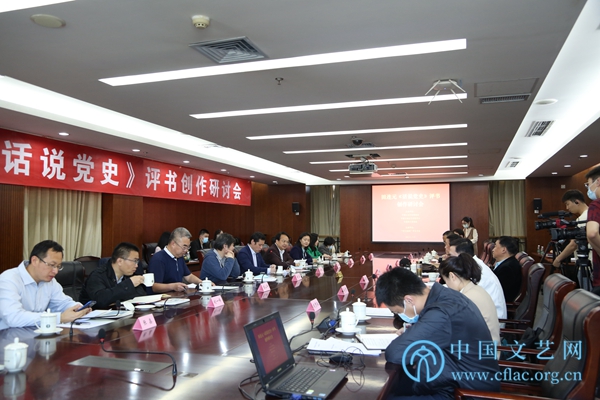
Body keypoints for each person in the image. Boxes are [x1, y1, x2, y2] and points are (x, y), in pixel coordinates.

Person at [376, 267, 500, 399]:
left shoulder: (441, 313)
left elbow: (395, 353)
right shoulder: (445, 296)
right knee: (396, 385)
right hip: (457, 378)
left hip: (464, 393)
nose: (400, 316)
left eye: (397, 312)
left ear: (409, 300)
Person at [0, 240, 91, 329]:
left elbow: (62, 303)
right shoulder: (9, 279)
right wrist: (59, 318)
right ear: (35, 260)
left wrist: (79, 308)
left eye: (58, 266)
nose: (55, 271)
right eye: (52, 265)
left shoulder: (50, 281)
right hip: (9, 335)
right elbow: (13, 317)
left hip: (38, 333)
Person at [440, 254, 501, 345]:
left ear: (452, 276)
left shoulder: (467, 298)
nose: (447, 285)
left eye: (446, 281)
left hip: (482, 350)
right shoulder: (474, 289)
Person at [449, 238, 507, 319]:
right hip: (479, 314)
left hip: (493, 320)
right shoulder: (472, 265)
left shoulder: (478, 271)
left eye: (451, 256)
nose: (449, 259)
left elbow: (463, 298)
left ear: (462, 256)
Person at [79, 242, 147, 309]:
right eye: (134, 261)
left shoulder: (129, 274)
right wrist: (129, 284)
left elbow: (140, 295)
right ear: (120, 261)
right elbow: (100, 300)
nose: (136, 265)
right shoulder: (97, 276)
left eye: (137, 261)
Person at [552, 190, 590, 287]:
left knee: (587, 293)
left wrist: (558, 259)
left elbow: (574, 244)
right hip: (592, 261)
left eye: (568, 204)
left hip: (587, 264)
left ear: (577, 202)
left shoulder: (583, 219)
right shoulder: (592, 214)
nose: (567, 208)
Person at [147, 227, 203, 293]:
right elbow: (154, 287)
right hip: (163, 297)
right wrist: (173, 286)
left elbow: (189, 276)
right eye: (184, 247)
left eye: (188, 247)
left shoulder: (179, 257)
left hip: (178, 295)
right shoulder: (158, 259)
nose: (186, 250)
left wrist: (202, 283)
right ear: (173, 244)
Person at [491, 236, 522, 302]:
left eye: (495, 246)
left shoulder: (507, 268)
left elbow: (497, 291)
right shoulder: (508, 263)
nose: (493, 250)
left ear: (503, 250)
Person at [585, 165, 600, 289]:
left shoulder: (596, 205)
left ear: (598, 181)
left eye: (589, 184)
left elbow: (592, 233)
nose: (589, 188)